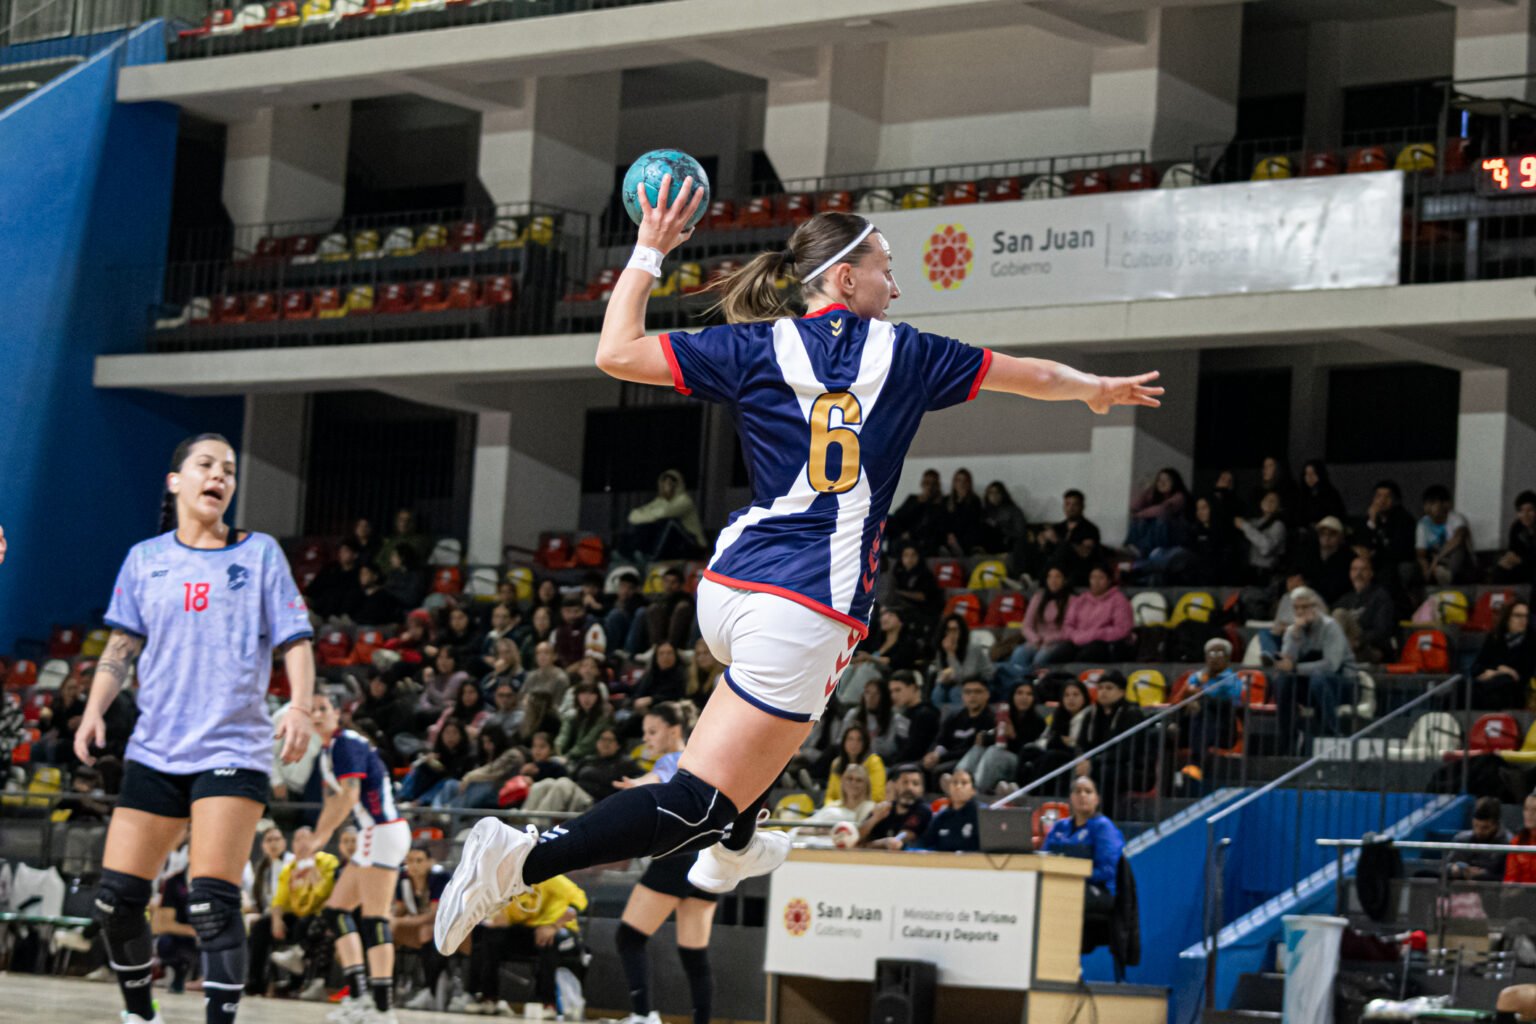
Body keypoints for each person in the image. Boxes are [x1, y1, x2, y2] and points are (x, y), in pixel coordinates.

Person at [434, 181, 1161, 955]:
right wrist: (1096, 390)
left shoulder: (759, 344)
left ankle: (742, 844)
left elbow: (615, 351)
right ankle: (519, 859)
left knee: (766, 739)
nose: (898, 282)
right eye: (887, 266)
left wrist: (650, 249)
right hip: (805, 604)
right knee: (696, 805)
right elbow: (1032, 377)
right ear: (847, 278)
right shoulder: (906, 351)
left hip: (729, 586)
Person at [77, 433, 316, 1024]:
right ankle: (141, 1014)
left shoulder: (258, 553)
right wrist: (93, 709)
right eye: (206, 465)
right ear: (175, 480)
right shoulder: (145, 559)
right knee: (116, 902)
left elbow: (296, 639)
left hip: (232, 747)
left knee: (211, 902)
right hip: (157, 747)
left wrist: (303, 706)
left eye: (229, 470)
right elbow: (121, 645)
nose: (220, 476)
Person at [301, 692, 411, 1024]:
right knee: (336, 912)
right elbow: (332, 803)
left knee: (375, 919)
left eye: (324, 708)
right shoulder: (326, 752)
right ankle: (361, 995)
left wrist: (318, 842)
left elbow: (349, 798)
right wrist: (311, 852)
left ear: (337, 713)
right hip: (371, 834)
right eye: (312, 710)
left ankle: (382, 1008)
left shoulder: (346, 744)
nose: (317, 715)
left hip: (383, 831)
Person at [607, 702, 716, 1024]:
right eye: (644, 733)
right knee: (694, 954)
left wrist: (637, 787)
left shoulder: (678, 758)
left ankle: (643, 1016)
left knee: (629, 938)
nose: (647, 739)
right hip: (709, 859)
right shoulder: (708, 757)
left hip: (679, 856)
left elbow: (661, 776)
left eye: (652, 732)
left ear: (674, 730)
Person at [465, 873, 588, 1019]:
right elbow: (507, 917)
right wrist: (497, 920)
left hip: (560, 930)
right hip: (530, 931)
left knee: (548, 941)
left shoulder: (552, 879)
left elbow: (579, 902)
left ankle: (548, 1003)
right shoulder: (512, 885)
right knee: (491, 937)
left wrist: (554, 926)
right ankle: (488, 998)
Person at [1272, 586, 1359, 751]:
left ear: (1315, 607)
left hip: (1343, 684)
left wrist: (1296, 668)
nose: (1300, 611)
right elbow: (1287, 664)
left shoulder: (1330, 626)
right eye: (1297, 608)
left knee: (1318, 678)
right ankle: (1287, 738)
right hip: (1312, 684)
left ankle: (1331, 732)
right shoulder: (1293, 630)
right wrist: (1295, 637)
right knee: (1283, 680)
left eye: (1305, 607)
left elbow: (1331, 665)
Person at [266, 827, 341, 995]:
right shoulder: (289, 868)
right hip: (300, 914)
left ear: (315, 840)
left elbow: (323, 894)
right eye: (297, 840)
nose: (302, 844)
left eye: (305, 838)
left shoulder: (328, 861)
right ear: (292, 845)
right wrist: (276, 920)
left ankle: (302, 965)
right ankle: (256, 982)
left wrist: (312, 871)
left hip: (323, 913)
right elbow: (279, 900)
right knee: (264, 925)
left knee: (308, 924)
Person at [1042, 776, 1126, 917]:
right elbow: (1043, 857)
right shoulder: (1060, 826)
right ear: (1071, 797)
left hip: (1098, 890)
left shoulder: (1103, 827)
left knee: (1062, 895)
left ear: (1097, 799)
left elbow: (1107, 871)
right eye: (1077, 791)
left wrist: (1074, 875)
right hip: (1061, 884)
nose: (1082, 795)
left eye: (1088, 791)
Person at [957, 679, 1046, 795]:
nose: (1024, 697)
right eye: (1019, 693)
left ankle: (977, 790)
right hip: (996, 759)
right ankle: (958, 780)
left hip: (1018, 762)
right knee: (978, 749)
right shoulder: (1004, 714)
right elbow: (994, 739)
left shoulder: (1038, 722)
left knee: (994, 752)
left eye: (1029, 694)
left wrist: (1013, 736)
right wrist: (984, 737)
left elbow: (1031, 751)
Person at [392, 843, 451, 1011]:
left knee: (426, 932)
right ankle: (388, 986)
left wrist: (401, 922)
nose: (414, 865)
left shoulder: (440, 878)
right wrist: (389, 918)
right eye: (410, 860)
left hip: (446, 926)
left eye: (419, 860)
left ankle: (428, 989)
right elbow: (400, 909)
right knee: (386, 932)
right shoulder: (403, 880)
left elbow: (434, 915)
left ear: (429, 862)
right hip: (418, 925)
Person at [1177, 639, 1245, 765]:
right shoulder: (1197, 677)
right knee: (1190, 707)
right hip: (1195, 722)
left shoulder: (1233, 679)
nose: (1215, 658)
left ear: (1228, 658)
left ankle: (1196, 761)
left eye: (1219, 654)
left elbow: (1234, 702)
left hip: (1222, 726)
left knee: (1204, 704)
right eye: (1211, 654)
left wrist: (1201, 696)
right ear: (1206, 657)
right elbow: (1186, 693)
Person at [1016, 678, 1090, 789]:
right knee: (1027, 750)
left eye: (1076, 695)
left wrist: (1067, 742)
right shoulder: (1059, 715)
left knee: (1050, 756)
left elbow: (1083, 744)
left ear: (1084, 698)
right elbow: (1046, 737)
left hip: (1075, 756)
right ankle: (1016, 787)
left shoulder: (1089, 716)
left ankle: (1031, 791)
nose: (1071, 699)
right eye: (1067, 695)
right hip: (1055, 749)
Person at [625, 468, 707, 560]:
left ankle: (653, 556)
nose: (667, 486)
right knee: (646, 524)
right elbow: (633, 516)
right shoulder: (660, 501)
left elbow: (664, 513)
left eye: (671, 483)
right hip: (674, 545)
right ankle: (632, 552)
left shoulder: (684, 501)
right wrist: (649, 516)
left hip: (693, 543)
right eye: (665, 483)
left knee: (670, 523)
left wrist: (649, 516)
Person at [1058, 564, 1135, 663]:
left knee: (1087, 655)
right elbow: (1067, 624)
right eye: (1093, 577)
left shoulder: (1119, 600)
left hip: (1103, 644)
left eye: (1101, 578)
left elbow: (1122, 630)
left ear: (1109, 580)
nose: (1096, 582)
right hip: (1077, 640)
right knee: (1059, 654)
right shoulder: (1081, 600)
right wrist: (1075, 635)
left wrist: (1094, 634)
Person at [923, 678, 994, 779]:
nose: (972, 696)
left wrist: (940, 757)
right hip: (946, 758)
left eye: (977, 692)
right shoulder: (954, 717)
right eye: (967, 692)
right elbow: (940, 740)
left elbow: (973, 750)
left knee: (940, 772)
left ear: (987, 694)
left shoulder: (991, 719)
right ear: (962, 695)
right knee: (919, 768)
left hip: (969, 761)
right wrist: (933, 754)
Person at [1471, 601, 1535, 712]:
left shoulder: (1532, 641)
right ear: (1507, 617)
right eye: (1518, 616)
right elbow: (1476, 668)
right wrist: (1498, 671)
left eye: (1526, 616)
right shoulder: (1494, 638)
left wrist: (1500, 672)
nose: (1523, 620)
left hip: (1517, 690)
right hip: (1492, 683)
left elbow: (1524, 674)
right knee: (1463, 688)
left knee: (1502, 684)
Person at [1334, 557, 1397, 664]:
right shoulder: (1345, 599)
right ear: (1350, 574)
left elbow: (1382, 631)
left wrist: (1359, 641)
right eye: (1354, 569)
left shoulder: (1380, 596)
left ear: (1371, 573)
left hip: (1371, 649)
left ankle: (1335, 657)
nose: (1358, 573)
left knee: (1339, 614)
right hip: (1348, 646)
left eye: (1363, 569)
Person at [1358, 480, 1417, 587]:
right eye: (1378, 496)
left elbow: (1396, 550)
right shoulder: (1368, 518)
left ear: (1396, 500)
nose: (1382, 501)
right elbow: (1363, 544)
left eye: (1387, 497)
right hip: (1375, 561)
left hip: (1395, 562)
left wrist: (1375, 527)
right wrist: (1371, 522)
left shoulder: (1405, 520)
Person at [860, 764, 933, 850]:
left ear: (922, 789)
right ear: (894, 785)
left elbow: (897, 842)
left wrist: (872, 845)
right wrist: (874, 819)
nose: (910, 787)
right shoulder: (885, 808)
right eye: (905, 782)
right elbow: (859, 836)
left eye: (915, 784)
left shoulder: (923, 811)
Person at [927, 613, 994, 704]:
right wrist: (943, 679)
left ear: (962, 630)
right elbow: (940, 673)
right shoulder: (942, 649)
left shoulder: (973, 648)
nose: (951, 634)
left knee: (955, 692)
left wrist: (951, 654)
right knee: (938, 692)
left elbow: (965, 676)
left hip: (980, 682)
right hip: (955, 683)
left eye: (955, 630)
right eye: (948, 630)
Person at [1039, 489, 1101, 586]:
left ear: (1082, 507)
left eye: (1075, 505)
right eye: (1067, 504)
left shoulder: (1090, 529)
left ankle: (1045, 580)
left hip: (1077, 570)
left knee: (1063, 548)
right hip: (1053, 567)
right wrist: (1042, 542)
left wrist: (1058, 541)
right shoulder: (1058, 528)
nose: (1070, 508)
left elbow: (1085, 554)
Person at [1415, 484, 1474, 586]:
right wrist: (1426, 571)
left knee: (1458, 551)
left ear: (1445, 504)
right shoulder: (1423, 523)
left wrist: (1437, 559)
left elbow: (1458, 539)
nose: (1429, 507)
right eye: (1427, 503)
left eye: (1433, 503)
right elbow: (1421, 553)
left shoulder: (1456, 518)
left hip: (1458, 563)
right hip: (1434, 562)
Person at [1126, 468, 1189, 557]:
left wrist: (1140, 514)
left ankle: (1148, 550)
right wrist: (1147, 490)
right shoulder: (1154, 495)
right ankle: (1132, 546)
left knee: (1160, 519)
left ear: (1174, 482)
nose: (1162, 482)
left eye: (1167, 480)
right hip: (1157, 535)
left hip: (1174, 537)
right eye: (1159, 480)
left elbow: (1162, 510)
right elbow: (1134, 508)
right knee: (1141, 520)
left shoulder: (1179, 497)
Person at [1447, 796, 1512, 881]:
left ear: (1496, 825)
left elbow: (1509, 877)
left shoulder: (1509, 844)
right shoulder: (1462, 839)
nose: (1478, 831)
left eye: (1485, 828)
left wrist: (1483, 875)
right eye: (1476, 826)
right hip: (1461, 890)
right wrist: (1453, 869)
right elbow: (1444, 868)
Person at [821, 723, 887, 804]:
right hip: (839, 810)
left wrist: (850, 806)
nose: (854, 743)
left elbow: (877, 796)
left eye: (859, 740)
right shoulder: (837, 763)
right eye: (850, 739)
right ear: (844, 742)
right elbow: (830, 796)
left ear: (865, 743)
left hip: (865, 809)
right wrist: (834, 808)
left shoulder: (874, 762)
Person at [887, 670, 942, 766]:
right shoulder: (904, 712)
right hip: (901, 762)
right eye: (891, 691)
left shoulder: (926, 714)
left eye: (898, 690)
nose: (893, 696)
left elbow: (914, 751)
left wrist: (891, 763)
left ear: (912, 688)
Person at [918, 770, 980, 852]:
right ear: (949, 788)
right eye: (954, 782)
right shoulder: (941, 817)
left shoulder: (981, 816)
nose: (958, 786)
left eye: (964, 783)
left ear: (973, 791)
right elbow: (923, 845)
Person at [889, 469, 947, 555]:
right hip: (905, 535)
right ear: (922, 484)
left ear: (937, 486)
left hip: (923, 540)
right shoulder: (913, 499)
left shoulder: (941, 504)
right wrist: (919, 503)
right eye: (927, 483)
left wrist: (911, 534)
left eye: (933, 484)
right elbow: (898, 516)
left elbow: (932, 526)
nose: (929, 487)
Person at [1297, 516, 1352, 605]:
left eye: (1332, 534)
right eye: (1322, 533)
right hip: (1306, 599)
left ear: (1341, 537)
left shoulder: (1348, 558)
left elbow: (1339, 587)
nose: (1327, 537)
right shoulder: (1310, 553)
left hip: (1333, 603)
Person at [1236, 490, 1287, 584]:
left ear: (1279, 507)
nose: (1268, 502)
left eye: (1273, 501)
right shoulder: (1255, 522)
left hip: (1266, 574)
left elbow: (1266, 548)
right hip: (1250, 572)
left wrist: (1245, 527)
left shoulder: (1279, 525)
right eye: (1266, 499)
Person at [887, 543, 943, 628]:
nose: (909, 558)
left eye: (913, 555)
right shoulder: (899, 573)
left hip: (924, 611)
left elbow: (922, 596)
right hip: (905, 608)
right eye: (906, 555)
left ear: (918, 557)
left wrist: (898, 592)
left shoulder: (925, 574)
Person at [308, 540, 364, 621]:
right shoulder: (330, 569)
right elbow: (314, 588)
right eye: (340, 551)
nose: (342, 554)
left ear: (355, 555)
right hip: (319, 610)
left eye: (345, 551)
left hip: (343, 615)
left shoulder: (360, 572)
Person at [1495, 491, 1536, 585]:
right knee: (1501, 569)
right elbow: (1513, 550)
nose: (1525, 515)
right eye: (1521, 511)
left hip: (1531, 565)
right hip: (1523, 565)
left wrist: (1521, 560)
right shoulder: (1517, 527)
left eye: (1530, 510)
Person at [942, 467, 985, 555]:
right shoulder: (946, 500)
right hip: (949, 536)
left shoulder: (974, 500)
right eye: (958, 480)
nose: (962, 484)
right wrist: (949, 534)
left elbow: (973, 522)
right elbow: (943, 520)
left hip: (966, 536)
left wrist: (963, 501)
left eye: (965, 481)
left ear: (969, 483)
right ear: (954, 483)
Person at [1295, 460, 1346, 529]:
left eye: (1313, 474)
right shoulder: (1303, 494)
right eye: (1307, 474)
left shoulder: (1330, 494)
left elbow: (1336, 516)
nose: (1309, 477)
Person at [1506, 793, 1536, 885]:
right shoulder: (1516, 842)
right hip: (1521, 896)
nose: (1529, 814)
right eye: (1526, 809)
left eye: (1535, 810)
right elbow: (1510, 879)